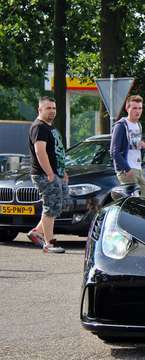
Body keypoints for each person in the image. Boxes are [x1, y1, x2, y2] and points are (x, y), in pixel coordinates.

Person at [27, 96, 70, 253]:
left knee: (61, 204)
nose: (52, 111)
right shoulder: (39, 127)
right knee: (51, 205)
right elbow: (40, 151)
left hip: (56, 173)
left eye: (53, 108)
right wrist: (50, 173)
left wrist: (62, 172)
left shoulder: (50, 127)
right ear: (40, 110)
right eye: (48, 108)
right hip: (44, 174)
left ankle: (37, 232)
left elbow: (55, 152)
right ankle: (49, 242)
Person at [110, 95, 145, 197]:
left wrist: (142, 147)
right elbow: (114, 151)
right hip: (128, 168)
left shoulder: (138, 125)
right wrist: (127, 168)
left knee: (144, 196)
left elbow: (134, 148)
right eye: (134, 108)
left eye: (140, 108)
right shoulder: (121, 125)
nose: (138, 111)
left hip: (138, 167)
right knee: (134, 201)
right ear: (127, 109)